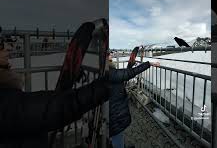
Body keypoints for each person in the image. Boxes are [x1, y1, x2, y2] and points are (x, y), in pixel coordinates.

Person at [0, 40, 154, 148]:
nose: (7, 49)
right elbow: (51, 108)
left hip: (116, 115)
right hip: (116, 118)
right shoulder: (7, 101)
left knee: (115, 136)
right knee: (116, 136)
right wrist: (98, 88)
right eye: (1, 45)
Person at [107, 51, 160, 148]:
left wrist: (130, 65)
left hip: (112, 108)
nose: (111, 55)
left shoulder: (107, 70)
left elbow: (123, 75)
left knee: (116, 133)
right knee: (117, 133)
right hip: (114, 112)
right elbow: (128, 73)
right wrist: (149, 64)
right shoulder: (110, 72)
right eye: (108, 54)